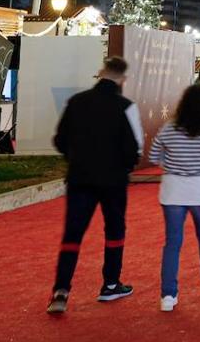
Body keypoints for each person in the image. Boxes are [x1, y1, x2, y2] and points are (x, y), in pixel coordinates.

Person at [47, 56, 144, 314]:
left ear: (101, 73)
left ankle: (61, 291)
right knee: (114, 230)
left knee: (73, 234)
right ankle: (110, 284)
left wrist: (76, 158)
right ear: (123, 79)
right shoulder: (126, 107)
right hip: (113, 180)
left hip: (80, 178)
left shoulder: (76, 102)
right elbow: (135, 148)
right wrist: (123, 166)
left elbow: (59, 139)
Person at [149, 83, 200, 312]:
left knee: (172, 243)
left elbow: (154, 156)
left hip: (173, 190)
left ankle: (168, 295)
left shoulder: (169, 128)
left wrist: (172, 163)